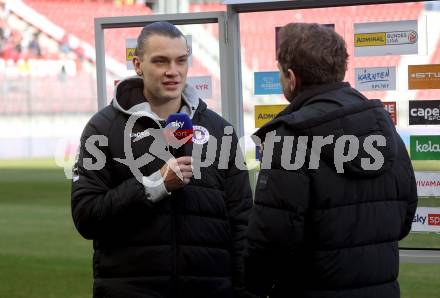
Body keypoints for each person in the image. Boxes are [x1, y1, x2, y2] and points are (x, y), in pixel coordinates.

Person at [72, 21, 253, 298]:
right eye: (160, 61)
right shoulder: (103, 129)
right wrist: (154, 185)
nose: (173, 71)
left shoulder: (219, 130)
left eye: (181, 61)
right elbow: (86, 216)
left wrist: (244, 292)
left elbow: (242, 224)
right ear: (137, 65)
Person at [245, 23, 417, 298]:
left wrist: (253, 289)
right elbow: (404, 221)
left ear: (291, 77)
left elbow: (271, 240)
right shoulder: (385, 128)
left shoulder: (288, 138)